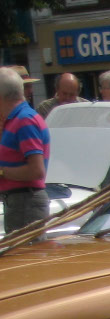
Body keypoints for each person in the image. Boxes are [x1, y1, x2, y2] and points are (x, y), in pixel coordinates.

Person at [0, 66, 51, 233]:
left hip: (25, 201)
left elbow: (36, 170)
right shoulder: (17, 119)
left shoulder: (24, 120)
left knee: (25, 258)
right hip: (20, 200)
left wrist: (2, 172)